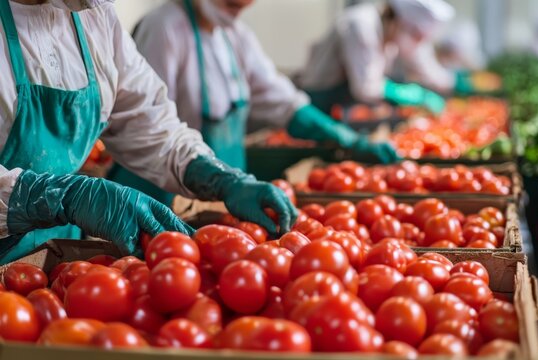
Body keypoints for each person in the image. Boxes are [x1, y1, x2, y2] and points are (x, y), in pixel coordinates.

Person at [0, 0, 297, 263]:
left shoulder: (94, 18)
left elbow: (148, 119)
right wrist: (58, 197)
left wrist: (217, 176)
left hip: (55, 257)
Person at [107, 0, 400, 207]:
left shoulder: (235, 35)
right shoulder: (164, 27)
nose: (240, 6)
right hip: (157, 193)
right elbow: (146, 123)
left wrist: (345, 137)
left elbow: (282, 101)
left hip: (216, 192)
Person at [298, 0, 466, 113]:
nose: (417, 43)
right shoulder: (361, 25)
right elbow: (365, 88)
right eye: (415, 36)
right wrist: (404, 93)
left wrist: (453, 81)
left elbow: (424, 65)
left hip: (345, 103)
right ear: (397, 20)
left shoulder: (394, 33)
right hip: (320, 97)